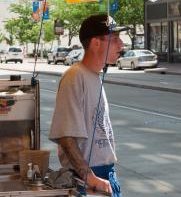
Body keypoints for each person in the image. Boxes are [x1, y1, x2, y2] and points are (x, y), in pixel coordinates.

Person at [49, 14, 126, 197]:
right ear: (96, 43)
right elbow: (66, 137)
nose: (121, 44)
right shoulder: (74, 77)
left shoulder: (94, 76)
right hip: (87, 179)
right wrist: (90, 178)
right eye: (114, 39)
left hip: (105, 174)